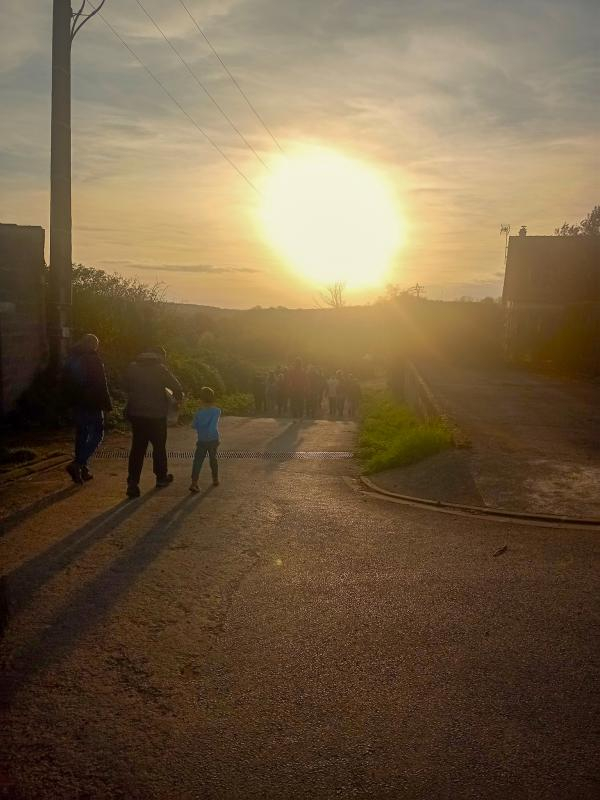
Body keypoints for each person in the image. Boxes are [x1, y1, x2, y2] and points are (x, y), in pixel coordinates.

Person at [124, 346, 183, 498]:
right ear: (158, 356)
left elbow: (125, 386)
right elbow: (177, 387)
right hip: (156, 416)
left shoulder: (132, 368)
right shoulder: (160, 369)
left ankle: (132, 483)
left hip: (137, 414)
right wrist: (177, 401)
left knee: (137, 449)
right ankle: (161, 478)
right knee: (159, 447)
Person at [63, 333, 112, 484]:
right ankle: (78, 463)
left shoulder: (71, 358)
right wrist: (107, 405)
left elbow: (65, 381)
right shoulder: (93, 359)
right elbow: (101, 384)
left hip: (77, 403)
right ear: (92, 344)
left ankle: (82, 470)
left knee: (82, 435)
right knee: (98, 434)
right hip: (92, 403)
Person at [189, 386, 221, 492]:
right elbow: (213, 426)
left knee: (198, 461)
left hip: (202, 440)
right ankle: (215, 479)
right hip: (213, 439)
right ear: (212, 398)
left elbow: (193, 425)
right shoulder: (217, 411)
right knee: (213, 459)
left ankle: (194, 483)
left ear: (201, 399)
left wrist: (199, 423)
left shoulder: (199, 412)